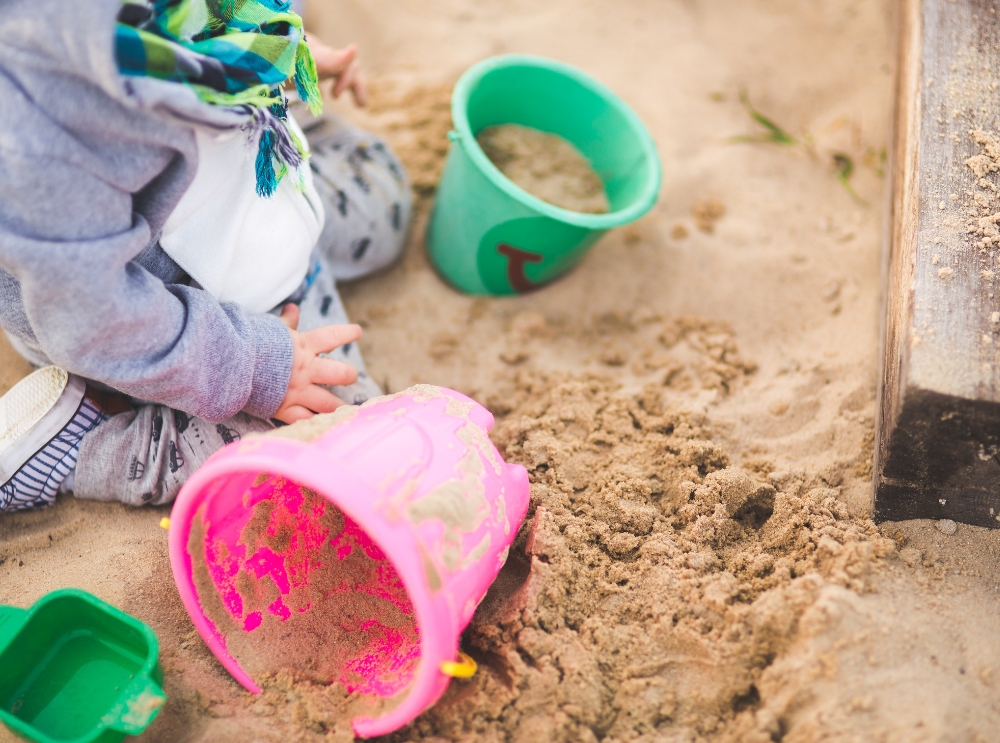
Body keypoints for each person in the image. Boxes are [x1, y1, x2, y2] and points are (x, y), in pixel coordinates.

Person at [0, 0, 412, 512]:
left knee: (385, 200)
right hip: (175, 323)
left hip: (250, 197)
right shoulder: (40, 129)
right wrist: (257, 368)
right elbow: (94, 320)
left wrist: (279, 54)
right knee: (339, 437)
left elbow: (217, 19)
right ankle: (82, 445)